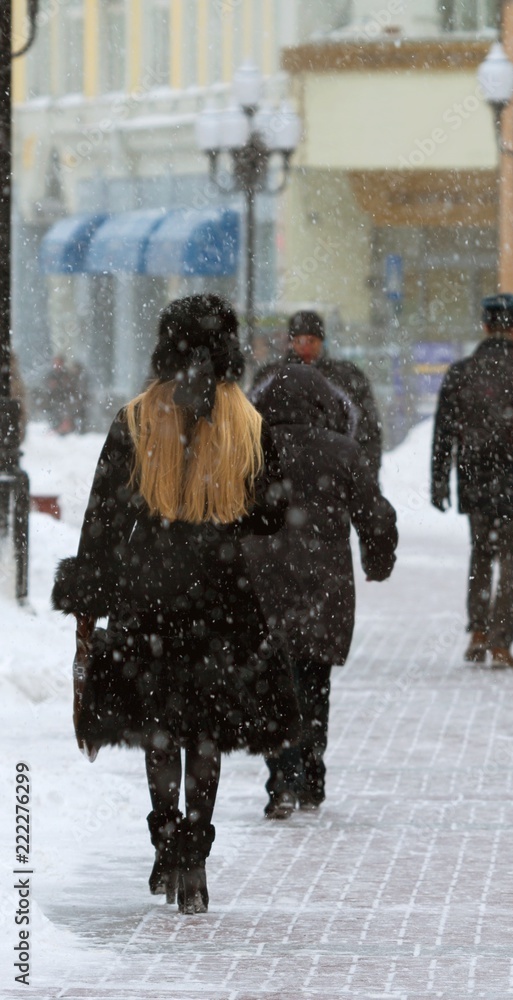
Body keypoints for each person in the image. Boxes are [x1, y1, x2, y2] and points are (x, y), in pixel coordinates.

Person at [51, 295, 300, 914]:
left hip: (149, 590)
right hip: (221, 594)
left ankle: (166, 841)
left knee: (160, 725)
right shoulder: (247, 422)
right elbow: (270, 513)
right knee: (207, 729)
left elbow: (103, 518)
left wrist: (89, 598)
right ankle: (196, 854)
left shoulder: (136, 419)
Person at [245, 364, 398, 818]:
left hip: (263, 582)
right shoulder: (343, 452)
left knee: (275, 680)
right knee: (314, 682)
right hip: (323, 586)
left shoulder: (252, 449)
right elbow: (377, 517)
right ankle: (311, 776)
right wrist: (378, 561)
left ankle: (281, 781)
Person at [431, 293, 513, 668]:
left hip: (474, 477)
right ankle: (501, 643)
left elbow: (443, 432)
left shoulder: (462, 371)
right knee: (511, 561)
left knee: (481, 554)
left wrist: (439, 481)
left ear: (484, 326)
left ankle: (478, 633)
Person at [252, 310, 383, 478]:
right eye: (299, 340)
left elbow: (368, 430)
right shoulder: (270, 377)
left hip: (334, 474)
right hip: (282, 474)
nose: (305, 347)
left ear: (321, 341)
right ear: (291, 342)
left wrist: (363, 474)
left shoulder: (346, 377)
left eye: (311, 341)